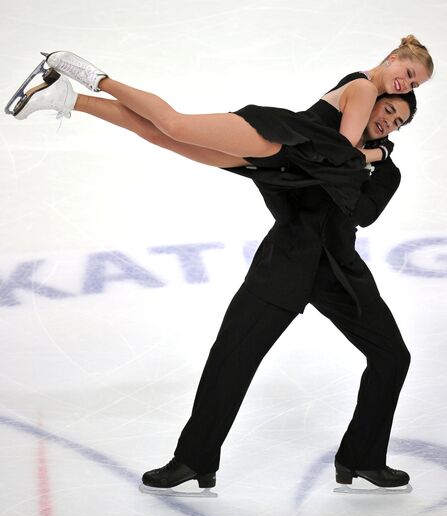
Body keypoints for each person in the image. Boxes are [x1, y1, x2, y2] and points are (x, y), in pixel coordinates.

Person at [6, 38, 430, 490]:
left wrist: (372, 162)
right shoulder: (358, 106)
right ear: (384, 82)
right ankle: (195, 459)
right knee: (231, 358)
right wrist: (364, 158)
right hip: (284, 260)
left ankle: (362, 457)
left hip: (338, 274)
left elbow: (362, 211)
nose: (389, 123)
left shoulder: (388, 170)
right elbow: (339, 159)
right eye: (391, 110)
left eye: (398, 124)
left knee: (392, 357)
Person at [9, 36, 432, 216]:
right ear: (394, 56)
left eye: (414, 84)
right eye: (409, 73)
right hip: (276, 137)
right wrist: (380, 153)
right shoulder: (363, 89)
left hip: (278, 158)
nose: (406, 83)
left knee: (161, 136)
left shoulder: (370, 92)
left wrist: (377, 152)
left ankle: (69, 98)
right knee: (173, 124)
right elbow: (342, 154)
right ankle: (84, 73)